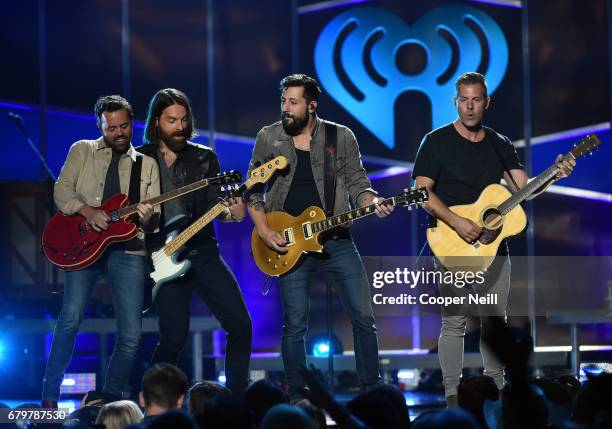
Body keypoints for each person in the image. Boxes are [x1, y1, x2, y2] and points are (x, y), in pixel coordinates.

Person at [412, 72, 575, 406]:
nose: (470, 107)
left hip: (494, 247)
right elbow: (421, 192)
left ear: (486, 102)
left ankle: (496, 394)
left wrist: (555, 173)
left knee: (493, 321)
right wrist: (458, 222)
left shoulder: (500, 143)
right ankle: (452, 397)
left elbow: (523, 190)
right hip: (449, 241)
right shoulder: (436, 141)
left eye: (476, 100)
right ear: (455, 102)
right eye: (464, 100)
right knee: (454, 321)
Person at [247, 74, 393, 401]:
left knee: (363, 317)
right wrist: (265, 231)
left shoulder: (340, 137)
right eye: (284, 101)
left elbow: (358, 183)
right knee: (295, 325)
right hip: (287, 243)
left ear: (311, 106)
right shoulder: (269, 138)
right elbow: (252, 192)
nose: (286, 108)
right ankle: (298, 396)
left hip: (336, 240)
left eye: (293, 102)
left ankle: (373, 393)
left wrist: (373, 202)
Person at [42, 95, 160, 407]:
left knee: (132, 333)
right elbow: (61, 191)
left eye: (124, 127)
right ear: (100, 125)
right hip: (83, 246)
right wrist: (87, 211)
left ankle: (108, 399)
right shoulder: (82, 150)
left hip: (128, 249)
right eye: (112, 128)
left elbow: (153, 221)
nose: (119, 133)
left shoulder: (146, 164)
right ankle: (50, 396)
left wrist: (149, 217)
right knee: (70, 317)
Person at [137, 88, 252, 393]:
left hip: (203, 252)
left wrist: (236, 213)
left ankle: (237, 399)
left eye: (184, 119)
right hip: (162, 259)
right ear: (156, 121)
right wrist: (146, 220)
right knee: (174, 336)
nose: (180, 126)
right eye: (172, 120)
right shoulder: (139, 159)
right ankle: (156, 401)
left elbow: (219, 209)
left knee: (240, 325)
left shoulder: (205, 158)